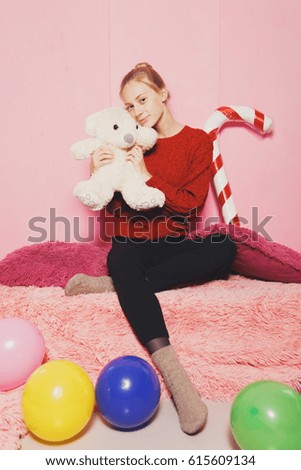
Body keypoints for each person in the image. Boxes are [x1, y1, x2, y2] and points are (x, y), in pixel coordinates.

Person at [65, 63, 237, 434]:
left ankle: (123, 285)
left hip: (174, 242)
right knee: (120, 254)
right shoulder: (123, 140)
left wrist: (147, 175)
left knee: (224, 246)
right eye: (128, 106)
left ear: (163, 93)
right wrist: (99, 172)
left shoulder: (196, 141)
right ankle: (178, 381)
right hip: (133, 242)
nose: (137, 110)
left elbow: (192, 204)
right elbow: (114, 210)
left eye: (142, 99)